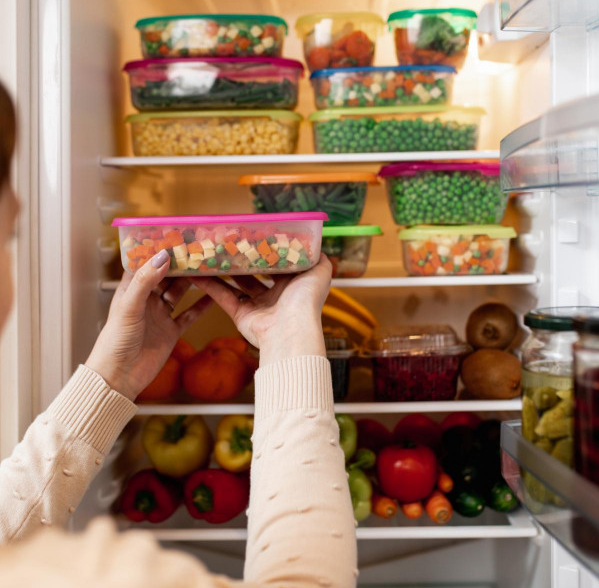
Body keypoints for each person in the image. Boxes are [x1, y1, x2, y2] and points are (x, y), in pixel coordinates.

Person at [0, 83, 357, 586]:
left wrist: (112, 376)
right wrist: (290, 339)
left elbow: (9, 522)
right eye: (10, 233)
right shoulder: (99, 575)